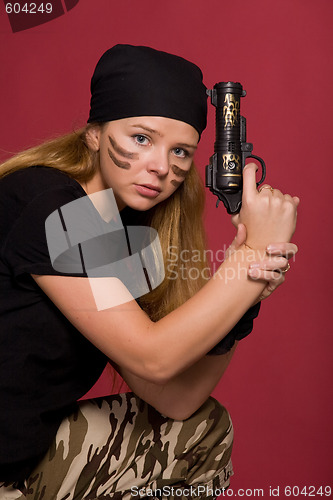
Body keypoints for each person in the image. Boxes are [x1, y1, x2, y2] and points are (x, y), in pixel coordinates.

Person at [0, 44, 299, 499]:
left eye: (181, 151)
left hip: (24, 460)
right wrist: (248, 261)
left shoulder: (118, 229)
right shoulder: (50, 203)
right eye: (141, 139)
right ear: (95, 134)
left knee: (203, 429)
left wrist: (247, 294)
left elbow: (174, 399)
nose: (162, 166)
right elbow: (152, 357)